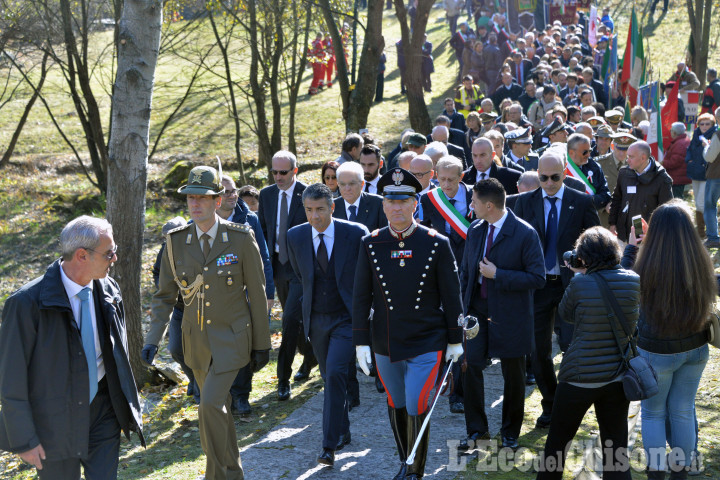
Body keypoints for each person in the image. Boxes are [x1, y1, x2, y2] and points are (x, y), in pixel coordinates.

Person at [146, 166, 270, 480]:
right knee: (217, 411)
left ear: (217, 200)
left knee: (209, 405)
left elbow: (257, 294)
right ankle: (226, 472)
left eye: (203, 198)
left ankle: (222, 476)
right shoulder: (176, 241)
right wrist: (152, 340)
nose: (195, 204)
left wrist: (262, 344)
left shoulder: (241, 238)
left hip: (232, 339)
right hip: (196, 343)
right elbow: (164, 297)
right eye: (190, 198)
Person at [0, 216, 144, 479]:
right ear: (81, 255)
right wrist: (24, 439)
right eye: (109, 253)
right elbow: (11, 378)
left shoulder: (110, 289)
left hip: (103, 416)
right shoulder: (25, 304)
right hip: (52, 424)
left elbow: (117, 356)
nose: (114, 259)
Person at [352, 167, 464, 480]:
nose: (397, 207)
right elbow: (361, 297)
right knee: (396, 401)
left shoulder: (436, 243)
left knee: (416, 401)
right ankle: (406, 461)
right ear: (383, 204)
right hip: (386, 339)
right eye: (391, 201)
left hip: (427, 337)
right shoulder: (371, 243)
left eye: (404, 200)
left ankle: (415, 470)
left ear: (415, 203)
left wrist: (456, 339)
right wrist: (360, 342)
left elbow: (452, 296)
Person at [536, 227, 639, 480]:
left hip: (578, 377)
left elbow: (566, 315)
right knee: (616, 451)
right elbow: (618, 279)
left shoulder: (581, 283)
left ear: (584, 257)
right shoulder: (634, 281)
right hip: (616, 376)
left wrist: (580, 275)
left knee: (557, 447)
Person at [625, 201, 715, 478]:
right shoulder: (701, 261)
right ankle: (681, 473)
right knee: (683, 410)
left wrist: (630, 248)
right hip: (695, 347)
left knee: (652, 413)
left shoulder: (646, 263)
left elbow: (619, 281)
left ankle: (656, 474)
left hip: (657, 351)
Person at [513, 152, 600, 427]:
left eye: (555, 177)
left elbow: (596, 241)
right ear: (536, 173)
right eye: (543, 178)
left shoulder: (581, 201)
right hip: (538, 287)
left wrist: (586, 267)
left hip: (571, 286)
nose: (549, 183)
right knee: (537, 352)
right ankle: (550, 404)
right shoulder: (523, 203)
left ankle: (569, 404)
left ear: (565, 173)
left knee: (572, 347)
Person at [458, 178, 545, 452]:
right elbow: (465, 272)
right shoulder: (475, 229)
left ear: (489, 205)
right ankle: (477, 432)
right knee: (470, 365)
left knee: (514, 375)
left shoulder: (524, 233)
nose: (470, 205)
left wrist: (499, 275)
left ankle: (509, 433)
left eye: (473, 201)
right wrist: (461, 310)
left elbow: (538, 278)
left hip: (510, 315)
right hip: (477, 312)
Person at [286, 183, 369, 467]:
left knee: (334, 373)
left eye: (320, 209)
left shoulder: (355, 233)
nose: (315, 216)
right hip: (316, 320)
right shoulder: (295, 236)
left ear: (332, 207)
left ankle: (327, 446)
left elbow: (367, 276)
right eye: (309, 210)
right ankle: (342, 428)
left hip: (347, 318)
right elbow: (301, 275)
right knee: (330, 376)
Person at [257, 151, 316, 401]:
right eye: (274, 172)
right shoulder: (267, 195)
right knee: (296, 322)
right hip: (276, 267)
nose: (278, 177)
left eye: (283, 172)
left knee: (289, 321)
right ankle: (310, 358)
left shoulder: (308, 193)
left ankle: (283, 380)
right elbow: (263, 230)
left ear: (295, 170)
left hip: (301, 269)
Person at [216, 175, 275, 415]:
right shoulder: (202, 221)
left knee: (242, 346)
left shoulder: (250, 219)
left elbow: (264, 259)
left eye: (234, 191)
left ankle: (241, 396)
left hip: (243, 293)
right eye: (227, 192)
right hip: (215, 295)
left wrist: (268, 293)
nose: (232, 195)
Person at [608, 141, 673, 243]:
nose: (627, 160)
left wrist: (653, 235)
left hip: (646, 238)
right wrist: (612, 224)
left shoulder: (661, 179)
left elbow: (667, 212)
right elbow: (617, 199)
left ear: (643, 158)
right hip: (622, 234)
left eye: (631, 157)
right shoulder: (624, 173)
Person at [333, 161, 387, 231]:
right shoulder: (332, 206)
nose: (347, 189)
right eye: (342, 184)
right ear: (338, 184)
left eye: (352, 184)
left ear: (362, 184)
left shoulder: (378, 204)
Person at [686, 113, 716, 240]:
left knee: (702, 203)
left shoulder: (715, 136)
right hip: (695, 172)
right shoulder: (696, 134)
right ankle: (700, 232)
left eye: (707, 124)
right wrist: (688, 160)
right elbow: (690, 149)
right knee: (698, 204)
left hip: (707, 174)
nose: (704, 126)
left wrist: (707, 147)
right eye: (702, 124)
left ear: (712, 124)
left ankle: (703, 233)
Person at [596, 132, 634, 227]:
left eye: (626, 149)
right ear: (612, 146)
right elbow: (591, 191)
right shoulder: (599, 164)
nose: (622, 153)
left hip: (628, 218)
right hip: (605, 219)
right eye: (619, 149)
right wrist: (604, 205)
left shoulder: (636, 165)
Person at [566, 133, 612, 209]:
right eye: (585, 152)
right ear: (571, 152)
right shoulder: (561, 168)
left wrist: (586, 201)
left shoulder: (594, 166)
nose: (588, 155)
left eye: (590, 151)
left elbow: (605, 194)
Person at [664, 123, 692, 199]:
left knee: (677, 199)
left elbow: (674, 162)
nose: (670, 132)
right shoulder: (683, 141)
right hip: (679, 176)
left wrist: (662, 163)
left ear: (674, 133)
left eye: (671, 130)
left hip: (677, 177)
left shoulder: (680, 144)